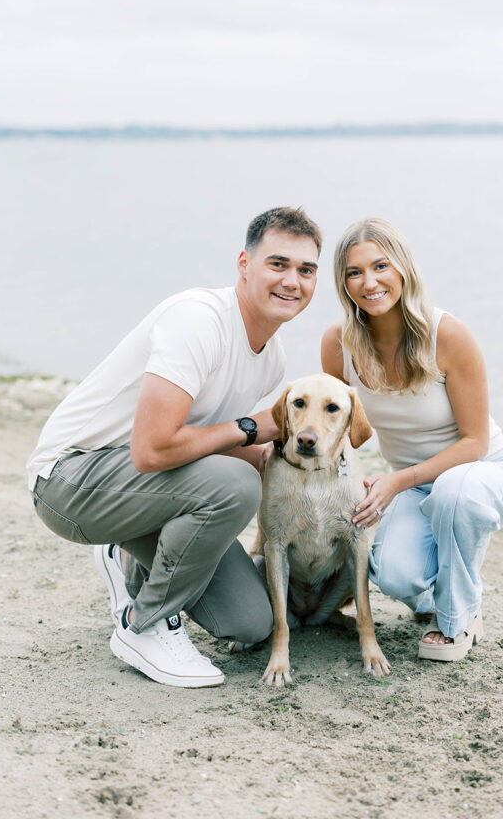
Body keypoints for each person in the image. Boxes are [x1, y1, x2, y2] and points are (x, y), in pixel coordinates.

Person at [27, 206, 321, 687]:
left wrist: (303, 465)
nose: (293, 280)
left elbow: (209, 439)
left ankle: (127, 559)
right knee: (235, 484)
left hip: (144, 489)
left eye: (306, 270)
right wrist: (253, 427)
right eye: (278, 264)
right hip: (69, 481)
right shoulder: (198, 320)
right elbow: (153, 451)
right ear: (244, 265)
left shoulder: (272, 359)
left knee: (251, 622)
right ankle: (143, 625)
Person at [321, 218, 503, 662]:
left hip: (486, 470)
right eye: (354, 272)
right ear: (343, 283)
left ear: (403, 269)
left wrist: (395, 481)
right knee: (394, 574)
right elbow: (335, 431)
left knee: (456, 493)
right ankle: (448, 579)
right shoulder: (338, 344)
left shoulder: (448, 335)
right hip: (416, 485)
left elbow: (474, 443)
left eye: (380, 266)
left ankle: (457, 619)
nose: (369, 281)